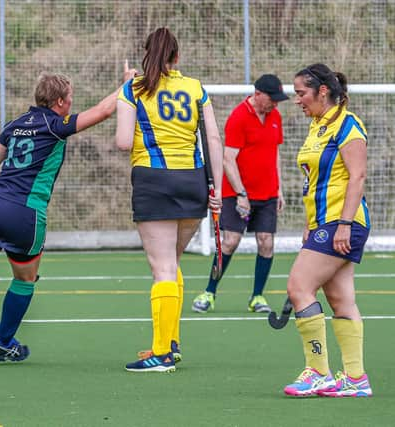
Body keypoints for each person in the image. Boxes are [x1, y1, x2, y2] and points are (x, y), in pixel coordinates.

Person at [0, 65, 136, 362]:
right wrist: (127, 85)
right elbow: (103, 111)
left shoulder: (15, 124)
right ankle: (2, 342)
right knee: (25, 279)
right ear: (59, 102)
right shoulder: (56, 124)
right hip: (24, 212)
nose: (72, 102)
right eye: (70, 98)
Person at [115, 27, 223, 373]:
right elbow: (213, 140)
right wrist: (217, 189)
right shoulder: (195, 88)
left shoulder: (133, 89)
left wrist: (126, 88)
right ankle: (170, 344)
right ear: (177, 57)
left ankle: (162, 353)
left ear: (147, 54)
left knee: (161, 267)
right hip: (193, 180)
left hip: (154, 179)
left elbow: (122, 142)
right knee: (171, 264)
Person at [283, 63, 372, 397]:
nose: (297, 100)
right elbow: (315, 181)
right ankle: (355, 379)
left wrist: (345, 224)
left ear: (323, 91)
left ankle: (318, 371)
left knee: (298, 286)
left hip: (342, 222)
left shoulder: (349, 125)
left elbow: (357, 176)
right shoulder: (318, 127)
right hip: (325, 224)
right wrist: (310, 224)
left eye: (301, 93)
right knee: (340, 299)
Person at [192, 74, 288, 314]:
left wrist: (279, 189)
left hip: (267, 194)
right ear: (258, 95)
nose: (275, 104)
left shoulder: (275, 116)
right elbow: (228, 159)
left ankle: (257, 297)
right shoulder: (238, 117)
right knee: (230, 242)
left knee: (266, 243)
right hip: (237, 194)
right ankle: (209, 292)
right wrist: (241, 194)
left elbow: (275, 153)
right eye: (272, 99)